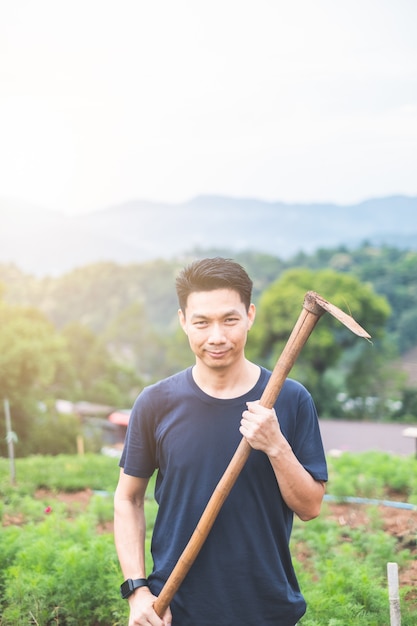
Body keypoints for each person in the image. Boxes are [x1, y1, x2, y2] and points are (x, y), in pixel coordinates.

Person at [114, 257, 328, 626]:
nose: (217, 336)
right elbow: (128, 497)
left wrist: (275, 445)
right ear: (184, 322)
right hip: (175, 611)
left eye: (230, 320)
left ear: (250, 315)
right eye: (202, 322)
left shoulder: (290, 400)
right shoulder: (156, 402)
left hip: (268, 610)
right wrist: (137, 590)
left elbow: (310, 507)